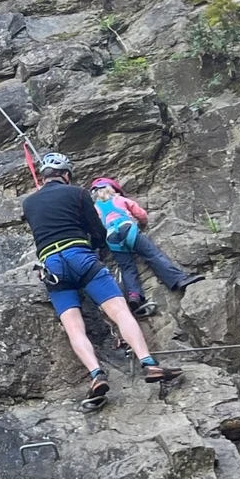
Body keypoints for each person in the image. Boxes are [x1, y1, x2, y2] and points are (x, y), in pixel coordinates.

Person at [19, 153, 182, 410]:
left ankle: (96, 374)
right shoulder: (78, 193)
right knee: (119, 311)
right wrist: (95, 247)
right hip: (80, 256)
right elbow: (97, 231)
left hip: (51, 266)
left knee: (74, 327)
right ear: (66, 174)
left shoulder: (29, 203)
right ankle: (148, 363)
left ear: (43, 175)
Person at [89, 177, 203, 317]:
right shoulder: (120, 200)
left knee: (127, 267)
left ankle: (134, 296)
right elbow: (140, 214)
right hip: (128, 229)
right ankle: (179, 279)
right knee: (152, 255)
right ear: (113, 189)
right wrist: (143, 223)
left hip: (111, 238)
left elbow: (96, 228)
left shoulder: (95, 209)